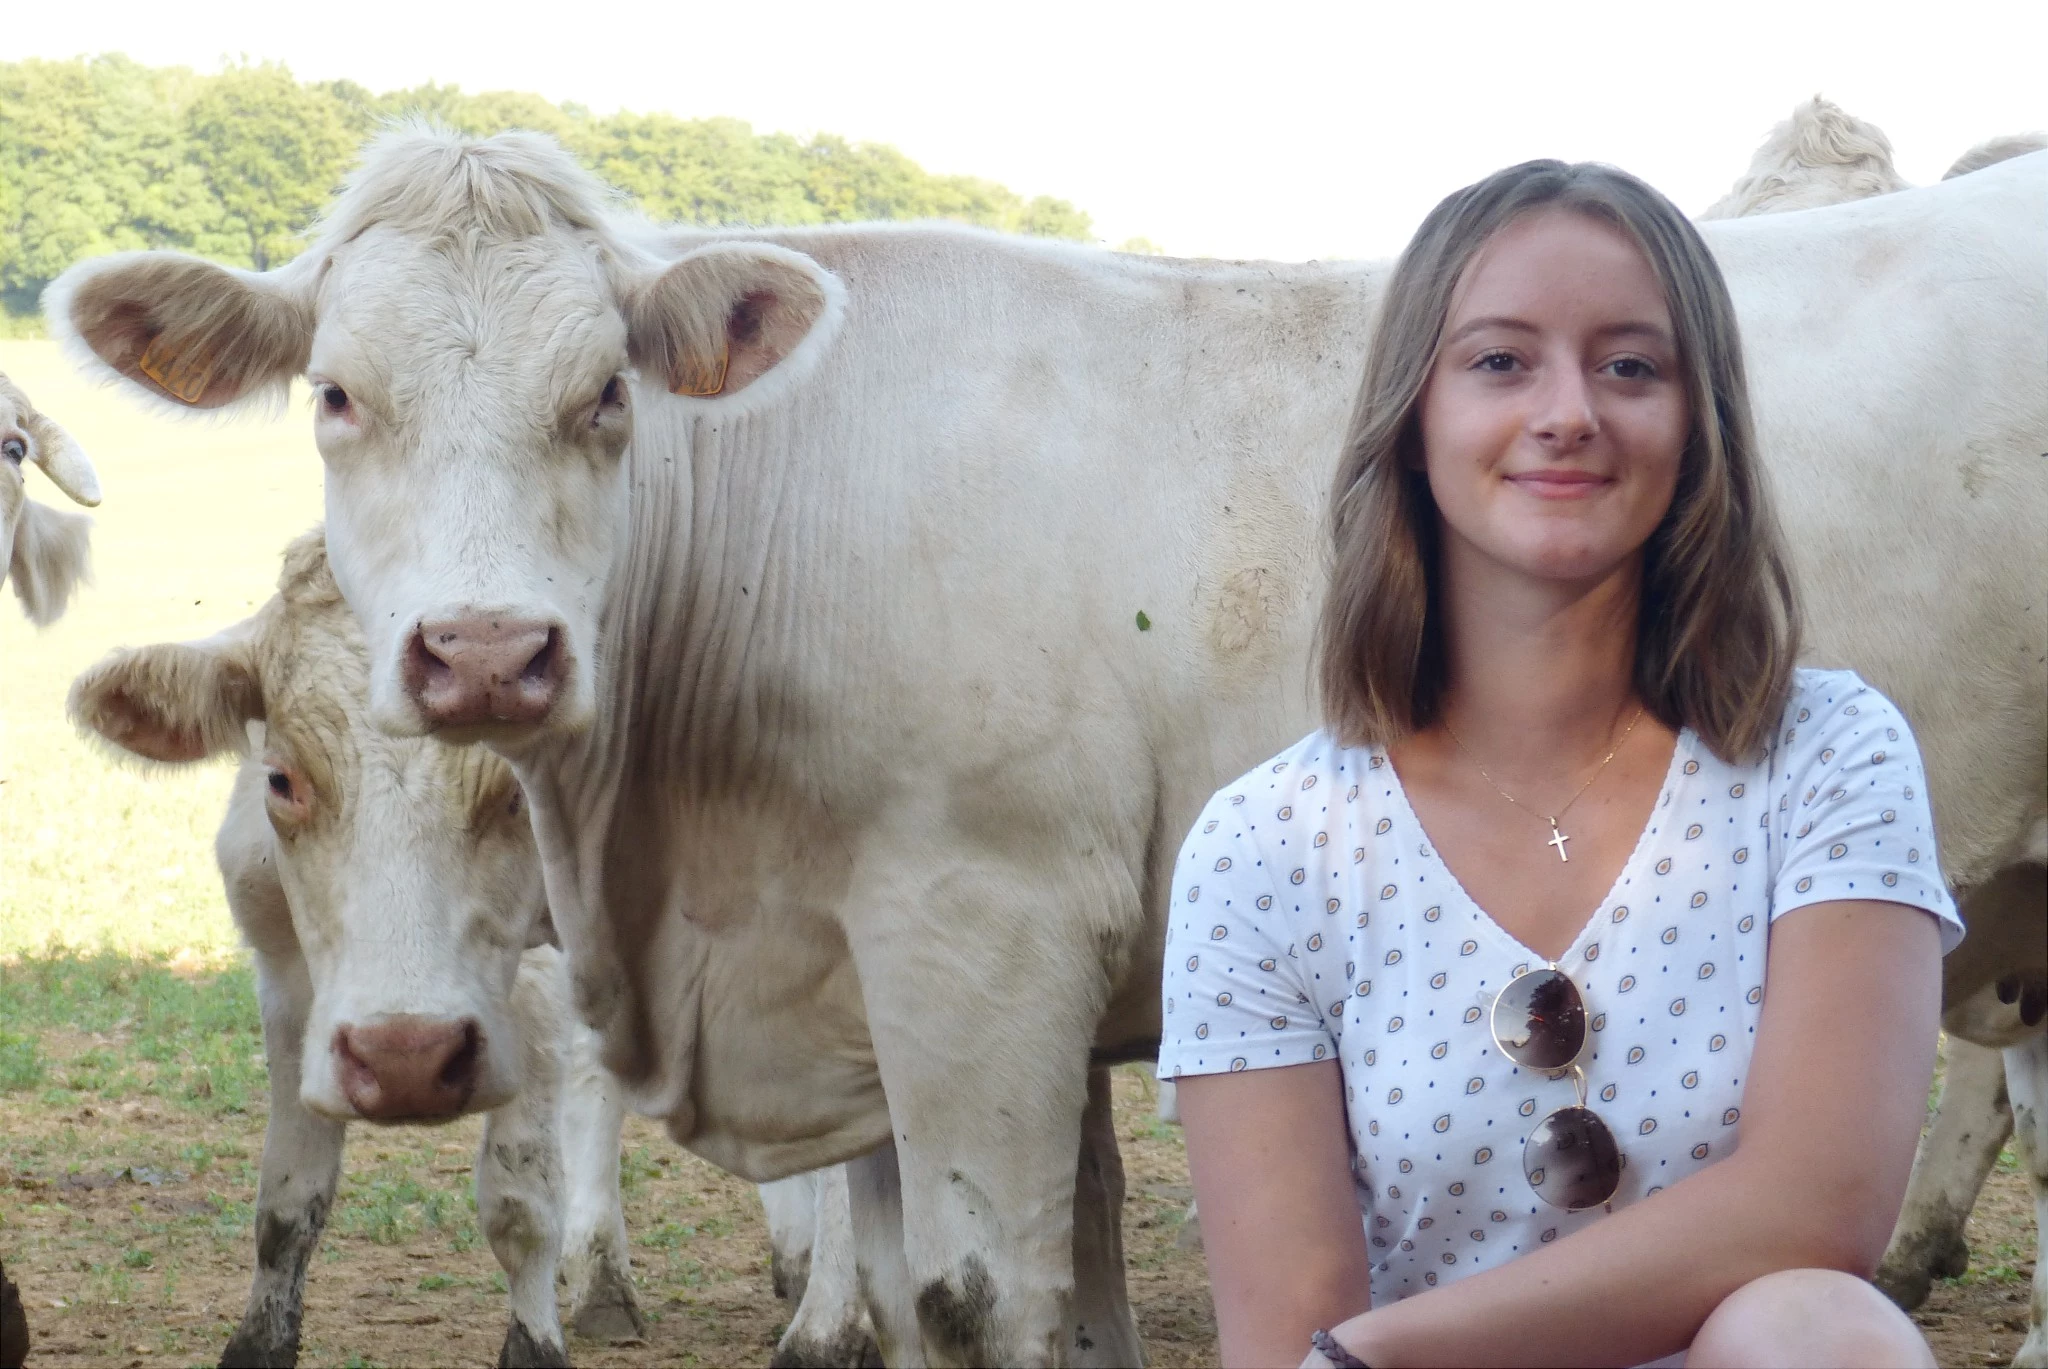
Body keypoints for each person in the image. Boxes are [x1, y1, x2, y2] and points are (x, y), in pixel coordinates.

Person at [1160, 159, 1958, 1369]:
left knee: (1819, 1329)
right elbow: (1286, 1337)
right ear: (1412, 418)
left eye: (1629, 364)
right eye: (1498, 360)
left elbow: (1819, 1208)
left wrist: (1377, 1354)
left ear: (1699, 427)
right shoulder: (1267, 845)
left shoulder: (1825, 757)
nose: (1568, 410)